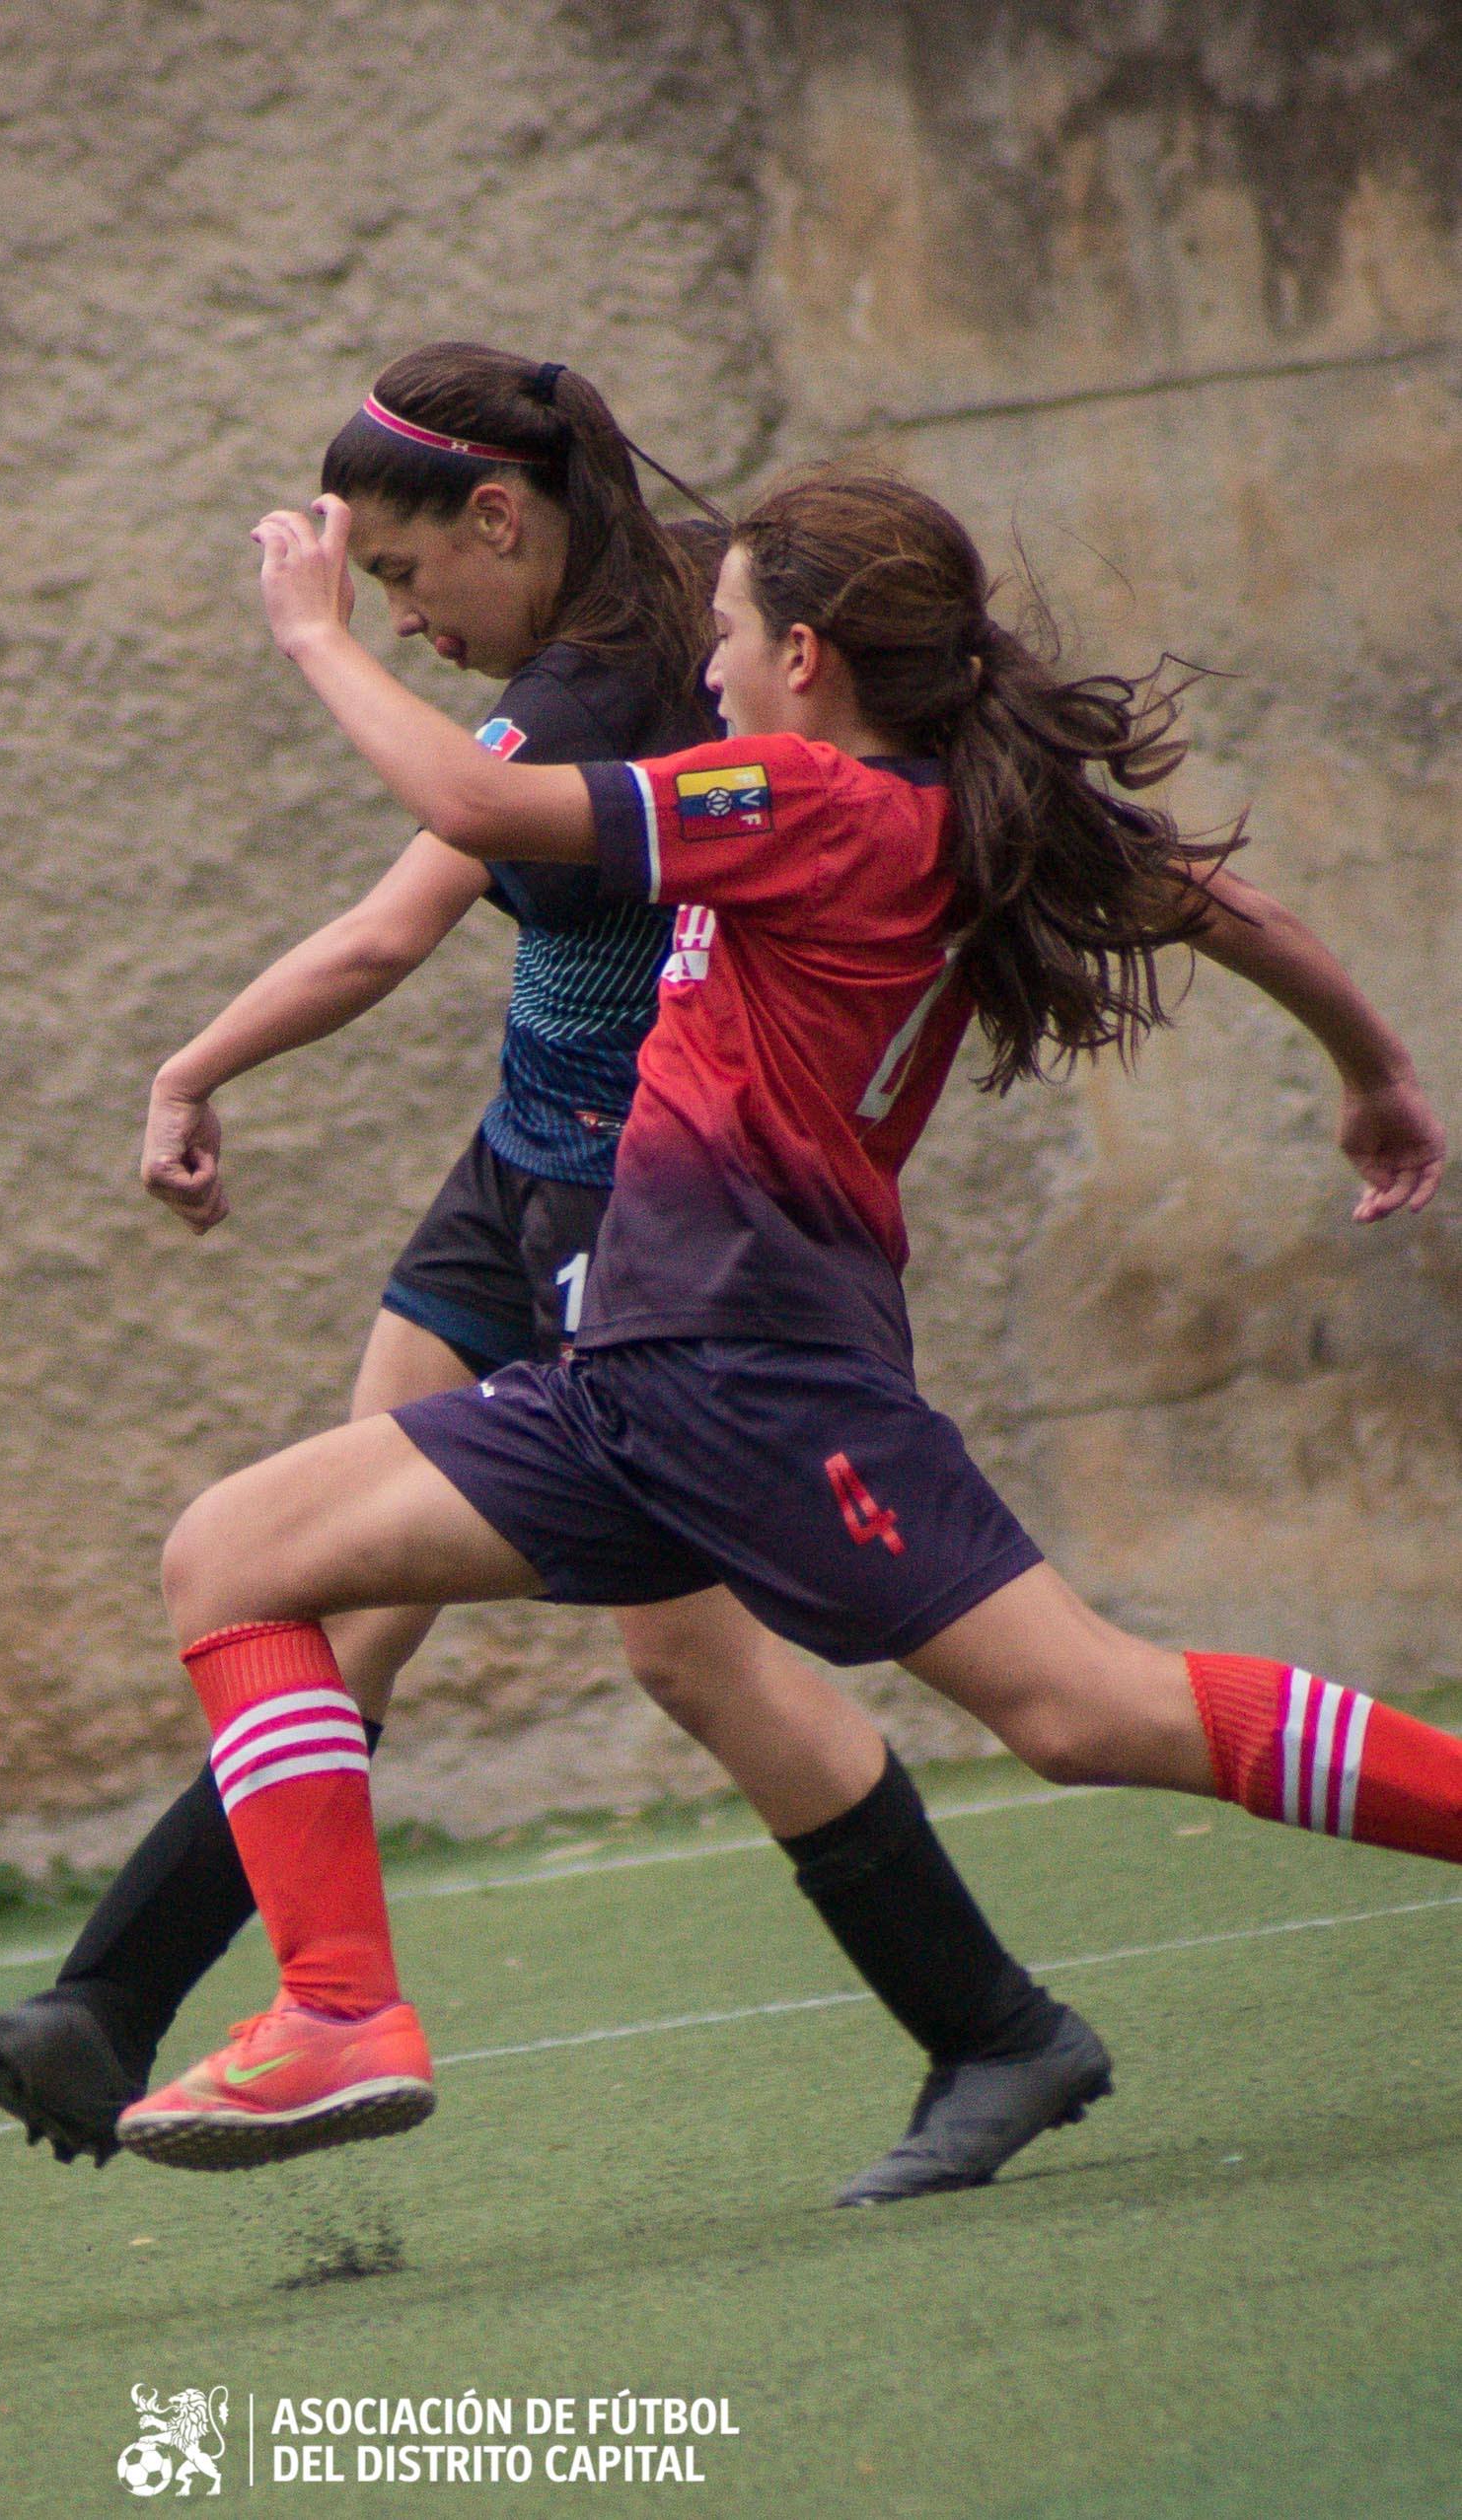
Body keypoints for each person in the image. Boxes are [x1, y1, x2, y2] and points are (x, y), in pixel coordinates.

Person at [111, 462, 1447, 2173]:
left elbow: (470, 796)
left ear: (806, 656)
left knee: (1086, 1712)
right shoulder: (972, 810)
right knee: (233, 1554)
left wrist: (314, 630)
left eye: (728, 632)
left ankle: (345, 2005)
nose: (707, 663)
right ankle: (335, 2011)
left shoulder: (795, 795)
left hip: (760, 1380)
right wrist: (1378, 1075)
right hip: (641, 1383)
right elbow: (1227, 907)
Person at [0, 351, 1127, 2207]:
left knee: (676, 1649)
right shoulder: (679, 595)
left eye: (410, 580)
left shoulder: (609, 685)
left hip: (634, 1221)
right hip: (519, 1174)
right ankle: (118, 2002)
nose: (406, 619)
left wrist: (193, 1068)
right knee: (310, 1584)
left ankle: (993, 2022)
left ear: (503, 518)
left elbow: (394, 928)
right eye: (375, 597)